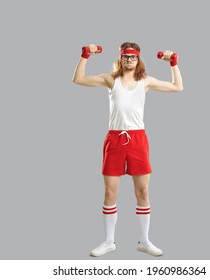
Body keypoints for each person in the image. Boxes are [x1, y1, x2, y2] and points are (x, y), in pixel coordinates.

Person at [72, 42, 183, 257]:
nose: (129, 60)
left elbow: (177, 87)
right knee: (110, 192)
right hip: (114, 138)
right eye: (126, 57)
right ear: (120, 59)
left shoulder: (145, 81)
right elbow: (78, 79)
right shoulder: (110, 79)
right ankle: (108, 241)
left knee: (143, 191)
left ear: (138, 59)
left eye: (133, 57)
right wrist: (85, 55)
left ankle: (144, 241)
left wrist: (173, 63)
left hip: (138, 139)